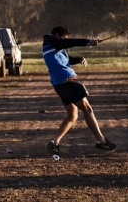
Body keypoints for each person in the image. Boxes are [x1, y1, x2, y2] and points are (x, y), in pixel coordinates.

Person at [42, 25, 116, 156]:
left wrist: (79, 59)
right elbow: (70, 42)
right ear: (58, 35)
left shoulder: (54, 47)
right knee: (88, 109)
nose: (66, 41)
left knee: (73, 115)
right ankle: (101, 141)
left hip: (60, 84)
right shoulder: (51, 41)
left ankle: (54, 142)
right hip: (67, 83)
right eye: (64, 38)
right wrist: (88, 42)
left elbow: (67, 59)